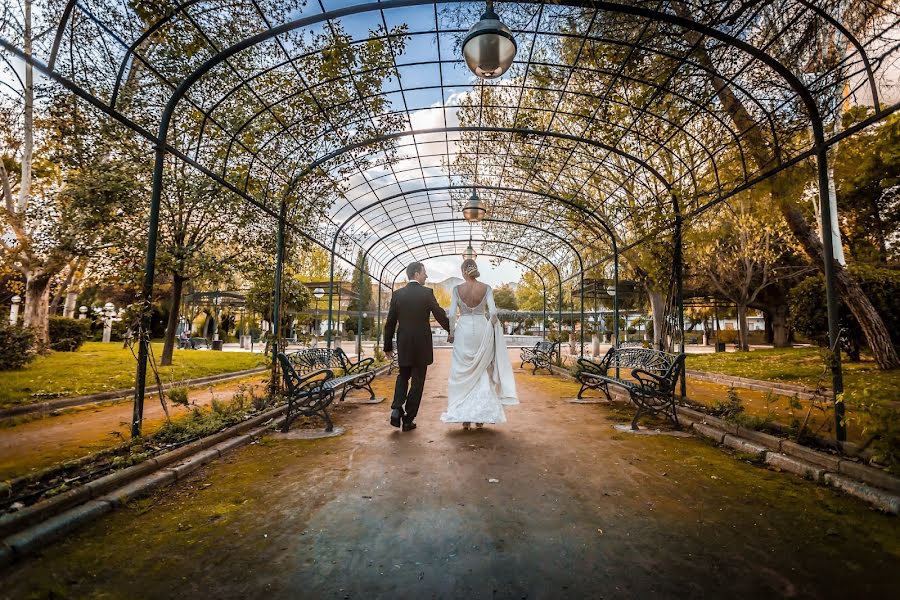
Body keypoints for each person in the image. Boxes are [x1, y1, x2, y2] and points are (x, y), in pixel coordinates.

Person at [442, 259, 518, 429]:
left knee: (462, 372)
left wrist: (452, 333)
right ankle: (481, 416)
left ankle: (465, 418)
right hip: (482, 329)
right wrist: (492, 329)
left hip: (463, 331)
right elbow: (493, 312)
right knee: (483, 370)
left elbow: (453, 314)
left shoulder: (456, 289)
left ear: (463, 271)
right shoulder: (486, 288)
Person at [383, 262, 450, 432]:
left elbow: (390, 322)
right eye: (424, 273)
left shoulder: (397, 294)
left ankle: (397, 408)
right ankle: (408, 420)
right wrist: (452, 330)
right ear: (416, 273)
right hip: (421, 345)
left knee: (403, 376)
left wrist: (387, 346)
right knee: (418, 382)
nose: (426, 276)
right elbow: (439, 314)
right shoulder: (427, 293)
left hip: (404, 343)